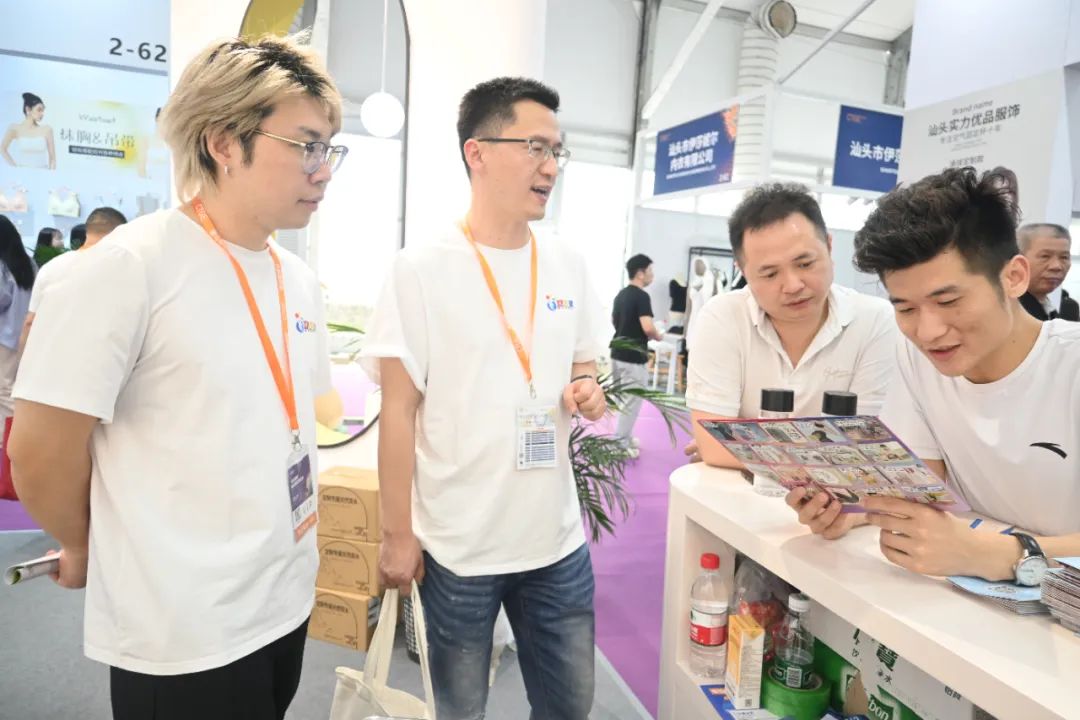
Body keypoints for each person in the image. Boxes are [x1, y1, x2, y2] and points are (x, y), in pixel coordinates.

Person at [10, 35, 345, 720]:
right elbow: (38, 452)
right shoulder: (127, 268)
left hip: (282, 597)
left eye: (329, 149)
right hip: (184, 628)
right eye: (306, 146)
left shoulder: (296, 279)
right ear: (224, 143)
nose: (323, 171)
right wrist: (86, 543)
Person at [361, 76, 606, 720]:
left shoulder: (568, 263)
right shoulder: (421, 268)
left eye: (557, 151)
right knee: (460, 710)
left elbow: (585, 367)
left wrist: (587, 389)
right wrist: (397, 535)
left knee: (570, 708)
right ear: (478, 152)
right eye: (535, 147)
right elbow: (398, 413)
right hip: (457, 548)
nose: (551, 167)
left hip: (555, 542)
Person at [789, 166, 1080, 579]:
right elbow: (920, 494)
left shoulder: (1070, 365)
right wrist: (853, 511)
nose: (928, 332)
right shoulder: (915, 358)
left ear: (1014, 277)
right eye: (906, 308)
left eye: (948, 301)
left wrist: (997, 554)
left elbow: (977, 549)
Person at [685, 183, 896, 468]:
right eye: (770, 274)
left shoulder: (875, 321)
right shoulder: (722, 317)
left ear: (829, 246)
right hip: (740, 489)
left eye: (805, 264)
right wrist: (824, 455)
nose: (793, 285)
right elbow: (714, 446)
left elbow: (864, 448)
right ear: (742, 271)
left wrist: (746, 448)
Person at [19, 207, 127, 353]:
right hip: (96, 355)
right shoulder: (119, 271)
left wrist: (21, 361)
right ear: (120, 233)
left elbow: (30, 322)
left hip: (51, 353)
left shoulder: (51, 267)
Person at [610, 253, 664, 457]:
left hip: (617, 352)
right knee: (632, 401)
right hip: (632, 356)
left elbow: (614, 321)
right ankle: (620, 443)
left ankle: (624, 436)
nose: (652, 275)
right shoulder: (642, 296)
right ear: (640, 273)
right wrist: (658, 335)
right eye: (650, 270)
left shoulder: (621, 295)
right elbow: (648, 327)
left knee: (625, 399)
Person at [0, 215, 35, 417]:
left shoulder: (2, 267)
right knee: (11, 386)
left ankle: (20, 426)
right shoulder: (29, 264)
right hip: (23, 334)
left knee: (3, 390)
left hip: (4, 336)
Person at [1017, 223, 1077, 321]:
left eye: (1064, 257)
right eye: (1045, 256)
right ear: (1018, 260)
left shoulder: (1051, 309)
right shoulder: (1008, 310)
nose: (1056, 266)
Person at [1, 92, 56, 169]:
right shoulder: (14, 128)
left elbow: (52, 158)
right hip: (22, 173)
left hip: (42, 173)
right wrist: (15, 168)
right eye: (39, 110)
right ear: (28, 109)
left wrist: (50, 175)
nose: (42, 114)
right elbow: (2, 149)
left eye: (43, 110)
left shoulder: (47, 129)